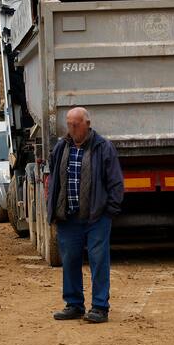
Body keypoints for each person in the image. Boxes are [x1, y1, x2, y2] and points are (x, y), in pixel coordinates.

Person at [47, 107, 125, 324]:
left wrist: (109, 211)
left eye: (77, 124)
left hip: (96, 217)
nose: (72, 128)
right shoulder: (61, 147)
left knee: (98, 260)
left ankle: (100, 307)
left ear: (87, 124)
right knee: (70, 259)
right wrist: (52, 209)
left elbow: (116, 182)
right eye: (69, 124)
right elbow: (54, 181)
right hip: (68, 217)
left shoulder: (103, 147)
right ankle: (74, 304)